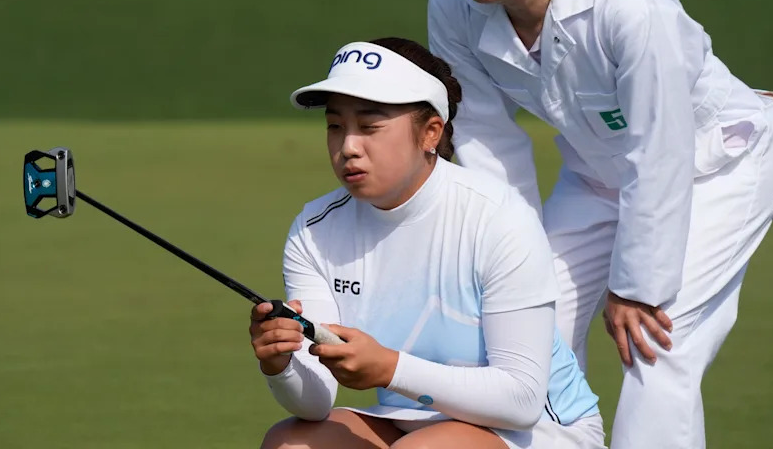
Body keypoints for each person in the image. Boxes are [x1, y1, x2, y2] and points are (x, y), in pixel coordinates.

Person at [415, 0, 773, 449]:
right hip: (599, 174)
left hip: (720, 164)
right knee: (522, 331)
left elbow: (661, 151)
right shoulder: (451, 3)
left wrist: (636, 286)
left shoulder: (631, 9)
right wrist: (503, 254)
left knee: (655, 344)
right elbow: (483, 138)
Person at [251, 37, 605, 449]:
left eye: (370, 127)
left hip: (540, 431)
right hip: (411, 421)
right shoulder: (313, 229)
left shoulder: (498, 215)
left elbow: (522, 400)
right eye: (335, 126)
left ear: (431, 132)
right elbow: (315, 402)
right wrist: (280, 364)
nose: (348, 147)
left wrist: (389, 369)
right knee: (290, 444)